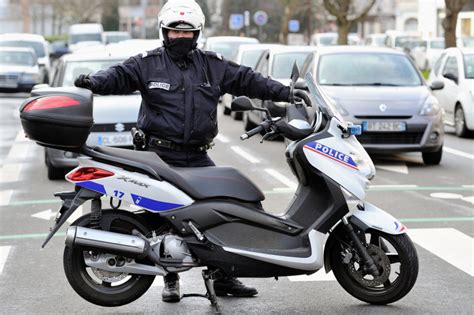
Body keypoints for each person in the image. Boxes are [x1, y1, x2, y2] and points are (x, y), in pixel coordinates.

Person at [74, 0, 292, 304]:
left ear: (197, 33)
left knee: (224, 210)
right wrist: (93, 81)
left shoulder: (213, 65)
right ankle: (170, 279)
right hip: (159, 156)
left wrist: (286, 92)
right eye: (174, 32)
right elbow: (118, 76)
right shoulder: (146, 63)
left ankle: (224, 275)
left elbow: (248, 79)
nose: (180, 37)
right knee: (165, 219)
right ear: (163, 32)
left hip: (198, 155)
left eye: (187, 33)